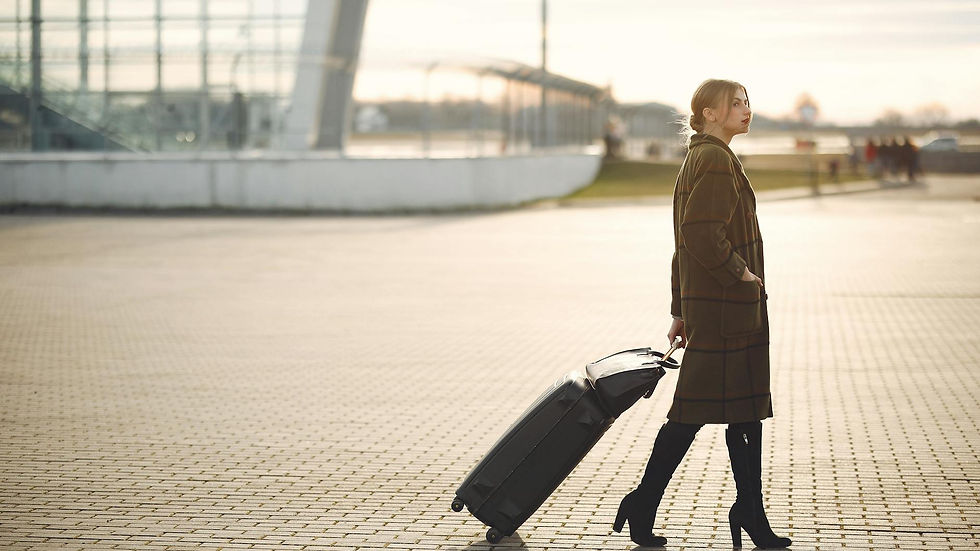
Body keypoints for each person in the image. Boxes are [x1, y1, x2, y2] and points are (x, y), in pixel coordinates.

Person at [612, 79, 792, 549]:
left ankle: (745, 509)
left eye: (747, 101)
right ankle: (647, 501)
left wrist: (680, 307)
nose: (746, 109)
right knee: (697, 413)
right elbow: (698, 234)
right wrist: (742, 275)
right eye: (735, 103)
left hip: (712, 307)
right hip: (726, 308)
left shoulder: (701, 156)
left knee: (740, 413)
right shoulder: (713, 158)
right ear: (708, 114)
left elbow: (681, 245)